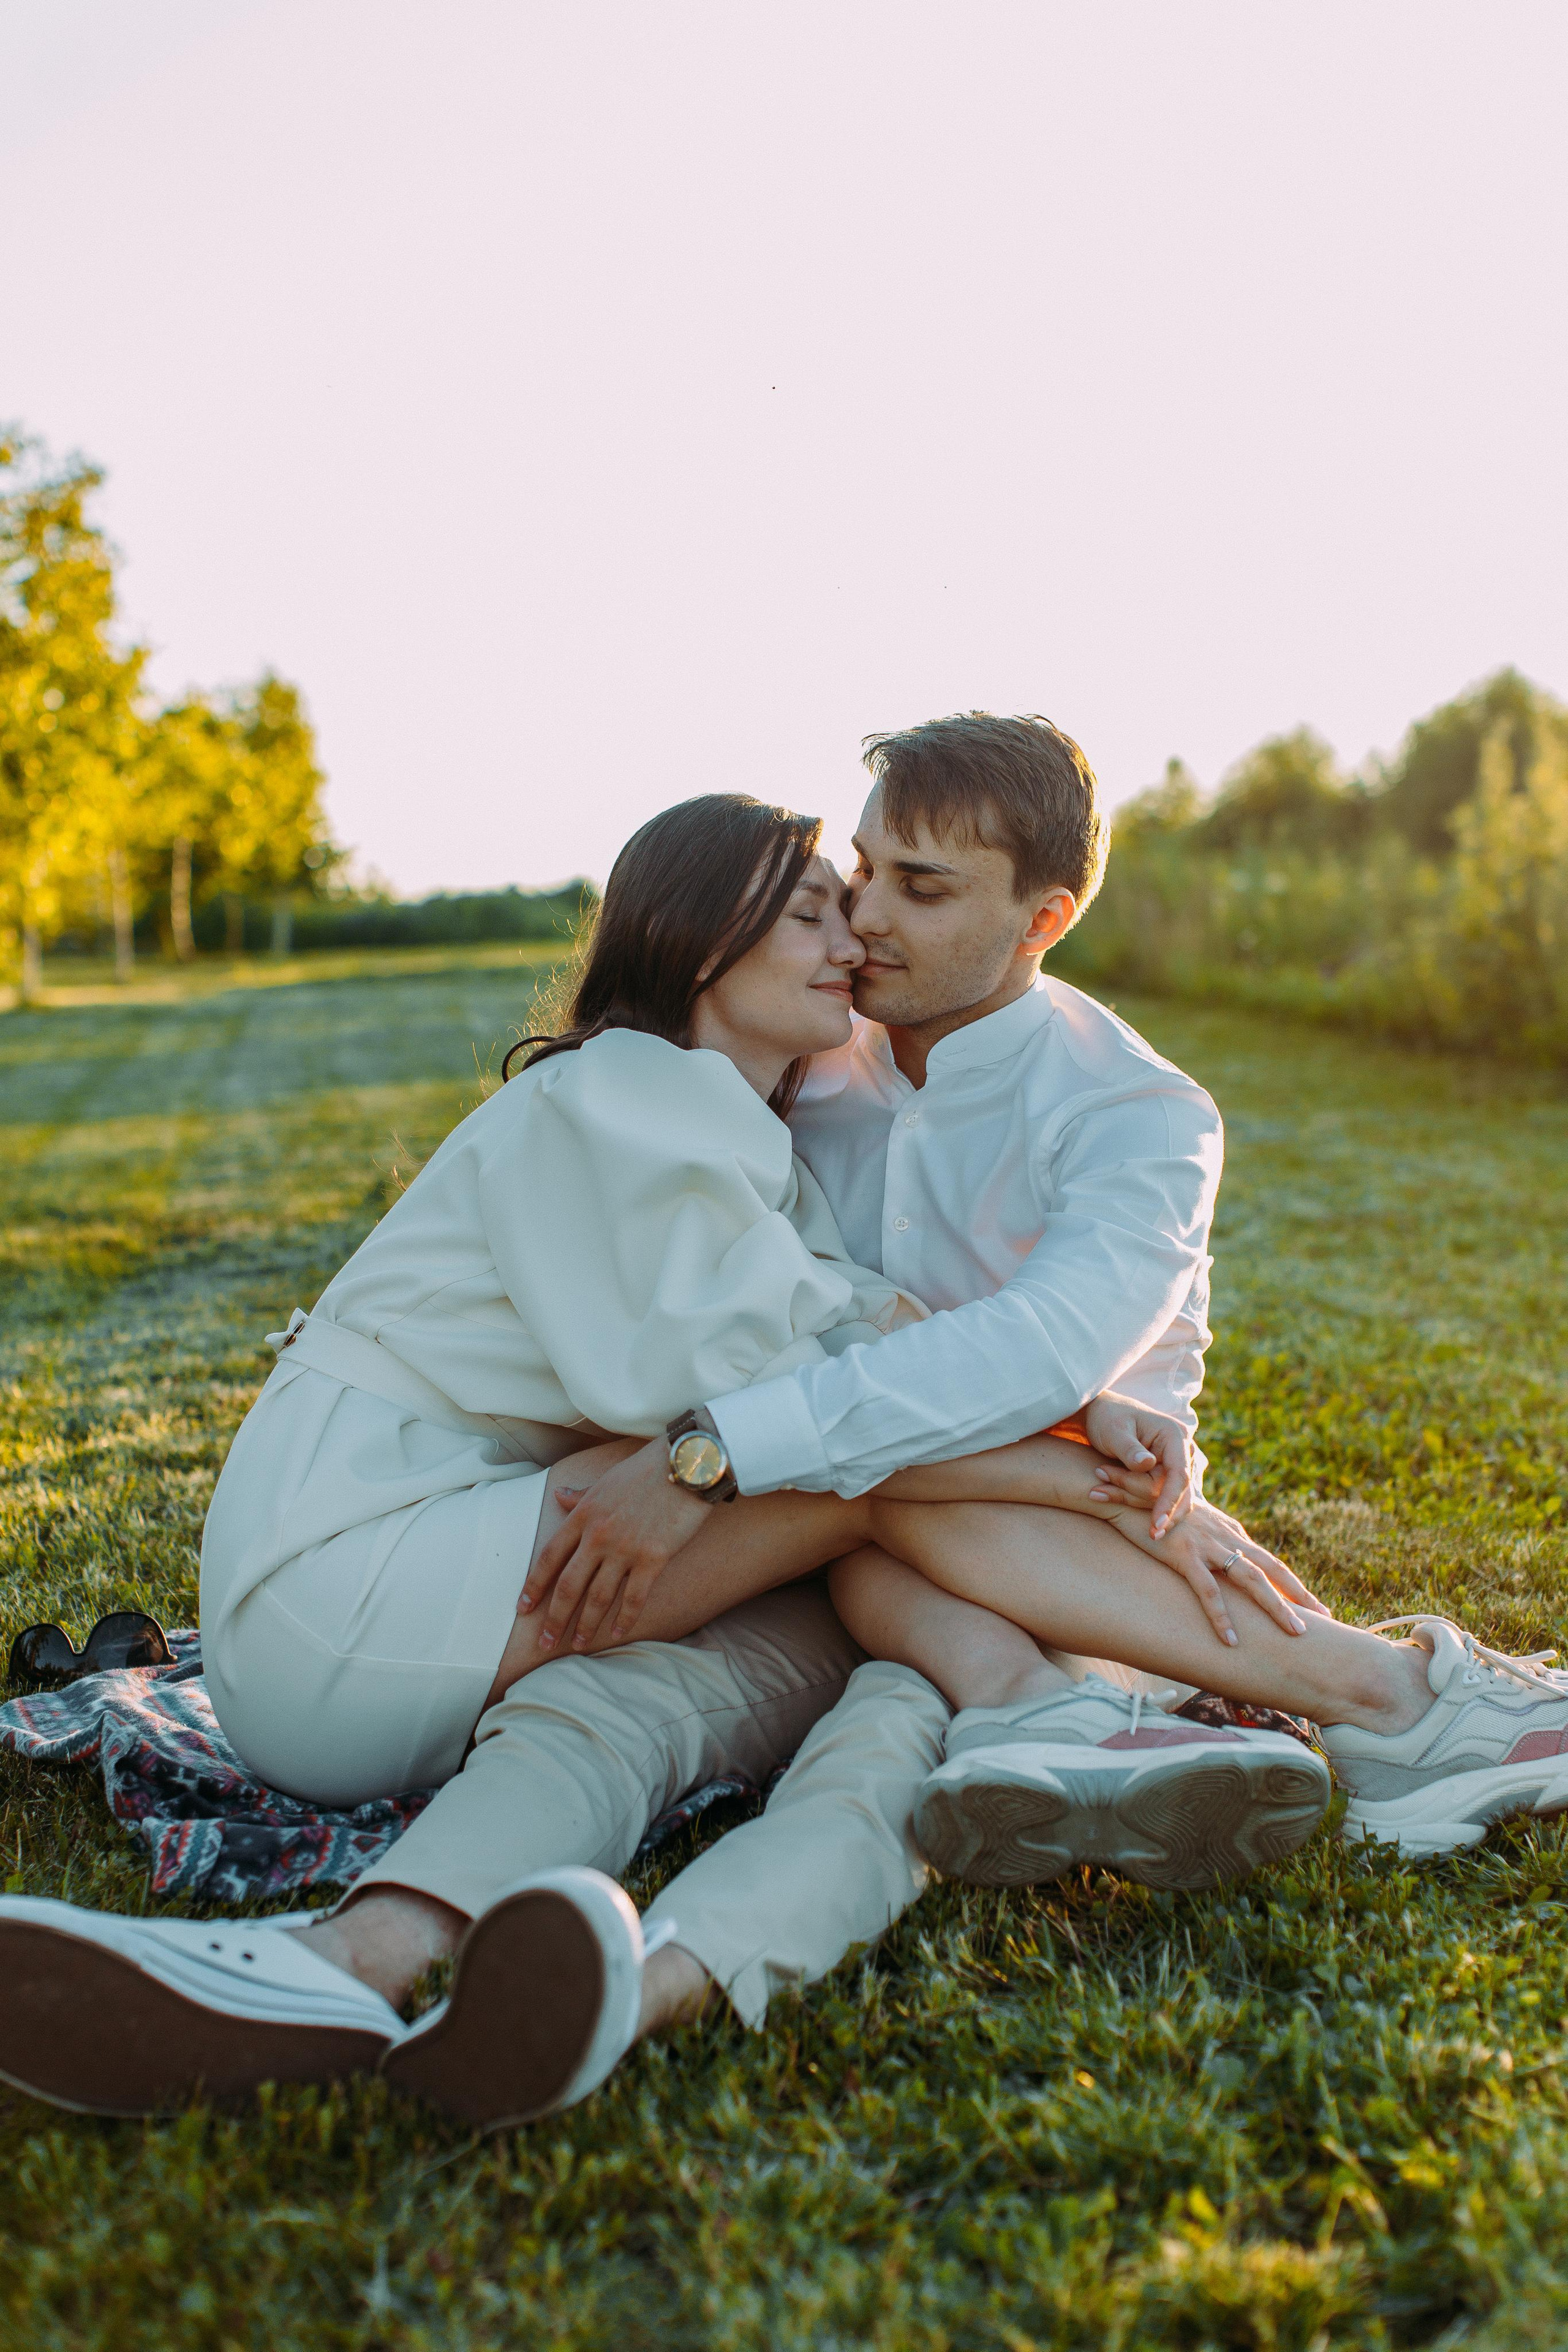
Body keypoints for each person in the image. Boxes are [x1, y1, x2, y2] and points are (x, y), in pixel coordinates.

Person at [4, 723, 1564, 2128]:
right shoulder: (737, 1085)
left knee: (877, 1737)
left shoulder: (1118, 1110)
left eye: (904, 890)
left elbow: (984, 1357)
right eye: (837, 887)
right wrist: (1062, 1480)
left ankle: (587, 1977)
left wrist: (1024, 1456)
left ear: (1042, 917)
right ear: (706, 941)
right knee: (773, 1583)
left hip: (895, 1558)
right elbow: (806, 1400)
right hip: (669, 1545)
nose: (863, 923)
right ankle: (1381, 1694)